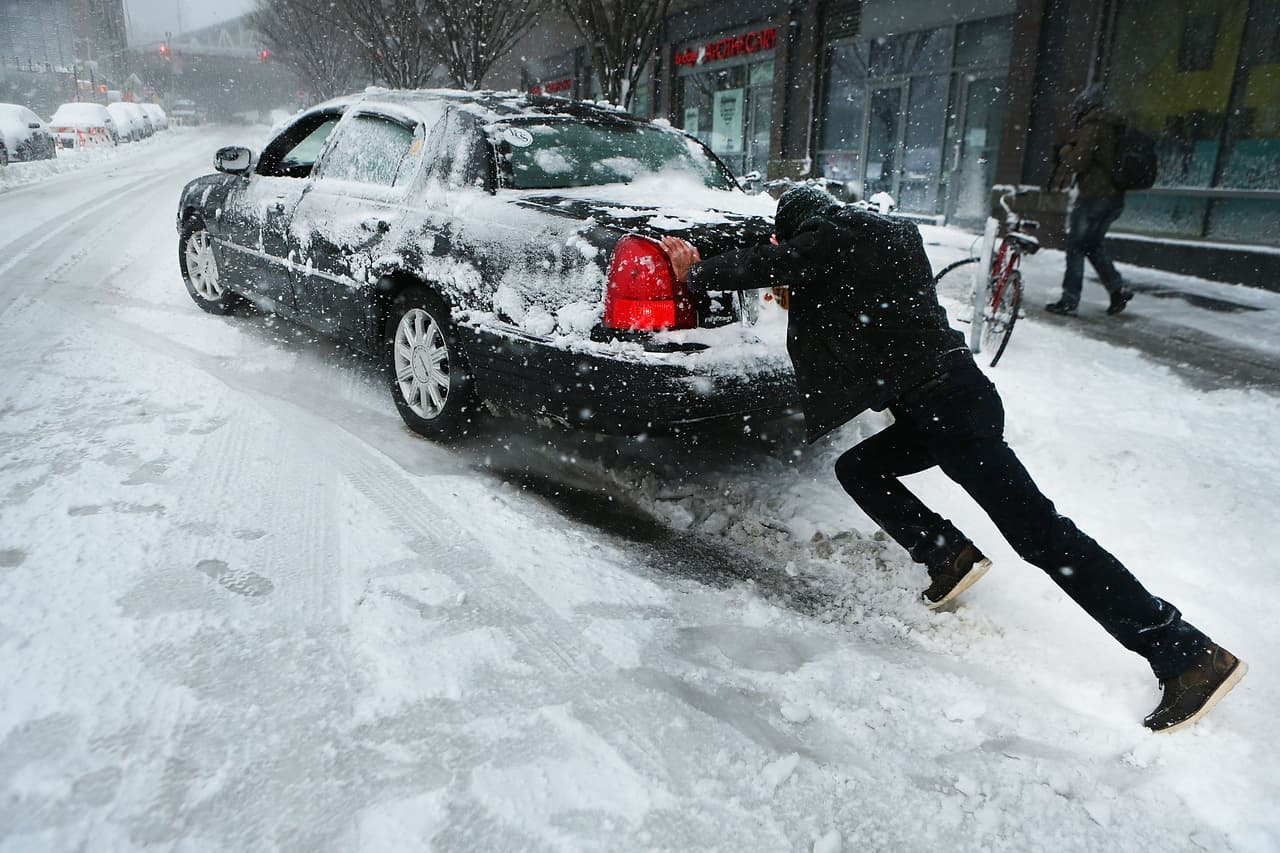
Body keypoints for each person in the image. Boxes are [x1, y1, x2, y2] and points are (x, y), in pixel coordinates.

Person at [659, 185, 1245, 733]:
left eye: (787, 240)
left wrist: (699, 271)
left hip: (950, 411)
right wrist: (711, 245)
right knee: (859, 469)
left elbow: (774, 261)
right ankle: (949, 556)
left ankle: (1187, 653)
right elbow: (777, 250)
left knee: (1044, 536)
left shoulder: (838, 240)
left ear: (804, 229)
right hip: (940, 406)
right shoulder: (872, 234)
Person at [1046, 85, 1134, 317]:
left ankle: (1069, 299)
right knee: (1091, 246)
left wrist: (1065, 151)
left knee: (1075, 247)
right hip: (1114, 197)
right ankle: (1118, 289)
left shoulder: (1093, 125)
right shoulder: (1115, 126)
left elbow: (1079, 161)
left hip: (1094, 196)